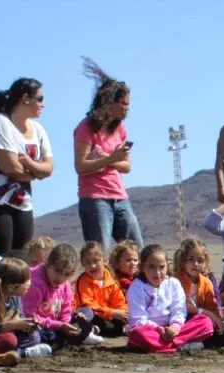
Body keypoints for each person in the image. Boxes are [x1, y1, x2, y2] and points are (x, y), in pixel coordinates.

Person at [0, 78, 53, 255]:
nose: (43, 104)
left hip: (21, 200)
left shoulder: (38, 130)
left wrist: (29, 164)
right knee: (0, 254)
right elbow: (10, 167)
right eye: (40, 99)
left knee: (22, 256)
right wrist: (35, 173)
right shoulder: (0, 122)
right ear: (25, 99)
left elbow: (49, 167)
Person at [73, 58, 142, 252]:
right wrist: (111, 158)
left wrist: (107, 158)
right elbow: (81, 166)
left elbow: (126, 166)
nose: (128, 108)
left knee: (137, 251)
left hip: (120, 197)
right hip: (95, 198)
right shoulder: (86, 128)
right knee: (100, 253)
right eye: (124, 103)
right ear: (110, 102)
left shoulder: (120, 128)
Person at [126, 244, 213, 354]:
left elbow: (179, 309)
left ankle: (167, 345)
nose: (157, 272)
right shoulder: (136, 287)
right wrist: (158, 329)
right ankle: (180, 345)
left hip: (172, 330)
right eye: (151, 267)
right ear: (142, 267)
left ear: (167, 266)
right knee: (138, 334)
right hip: (151, 331)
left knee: (206, 322)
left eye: (161, 267)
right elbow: (138, 319)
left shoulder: (173, 283)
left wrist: (175, 327)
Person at [22, 244, 100, 348]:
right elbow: (30, 317)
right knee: (36, 335)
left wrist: (67, 324)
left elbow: (65, 312)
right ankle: (78, 336)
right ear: (48, 264)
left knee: (87, 312)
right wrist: (59, 325)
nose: (60, 278)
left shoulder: (65, 285)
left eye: (67, 274)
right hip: (41, 325)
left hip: (55, 323)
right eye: (57, 271)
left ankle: (74, 335)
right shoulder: (36, 283)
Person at [0, 257, 51, 357]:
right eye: (26, 281)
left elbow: (20, 317)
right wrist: (10, 325)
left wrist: (27, 325)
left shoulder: (15, 297)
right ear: (11, 287)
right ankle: (21, 353)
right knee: (9, 339)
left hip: (11, 333)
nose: (30, 283)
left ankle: (15, 353)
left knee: (35, 336)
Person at [174, 238, 224, 347]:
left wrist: (218, 320)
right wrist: (205, 312)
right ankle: (178, 340)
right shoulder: (176, 280)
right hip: (179, 319)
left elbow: (212, 307)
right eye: (190, 259)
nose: (195, 264)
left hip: (199, 321)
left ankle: (196, 344)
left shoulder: (206, 283)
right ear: (183, 261)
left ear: (205, 263)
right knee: (205, 321)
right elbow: (181, 305)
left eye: (200, 260)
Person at [74, 241, 128, 338]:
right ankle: (90, 330)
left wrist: (122, 313)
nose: (92, 266)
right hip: (92, 314)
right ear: (83, 264)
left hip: (107, 315)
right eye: (87, 262)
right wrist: (111, 312)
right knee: (88, 314)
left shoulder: (111, 278)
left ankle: (101, 330)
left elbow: (119, 301)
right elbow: (87, 304)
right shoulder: (83, 280)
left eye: (96, 261)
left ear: (105, 261)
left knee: (123, 318)